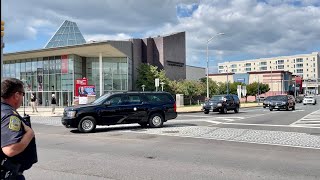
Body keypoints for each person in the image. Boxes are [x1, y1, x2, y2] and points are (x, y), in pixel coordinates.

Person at [1, 78, 38, 179]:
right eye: (23, 94)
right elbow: (11, 149)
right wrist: (29, 134)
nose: (22, 97)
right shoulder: (9, 115)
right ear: (16, 95)